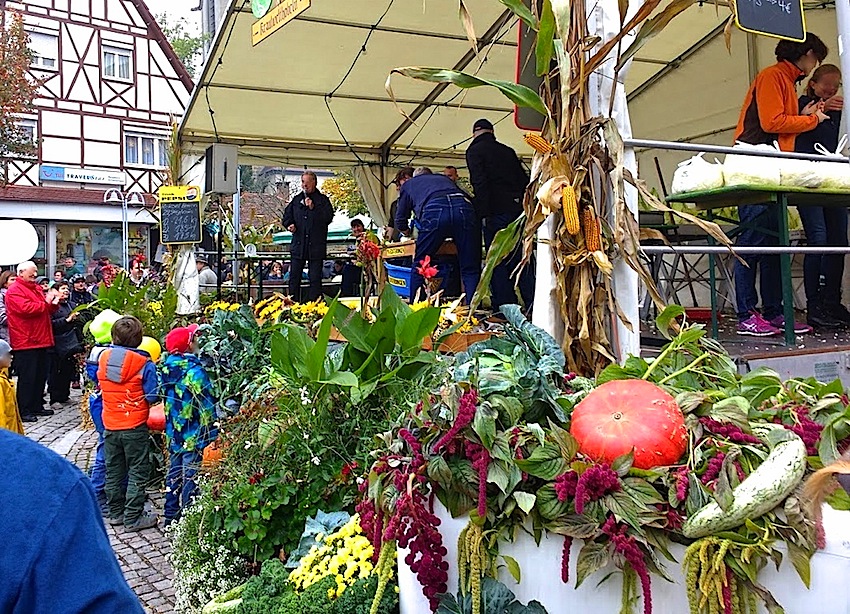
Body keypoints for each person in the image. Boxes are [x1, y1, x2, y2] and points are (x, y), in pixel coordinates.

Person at [732, 33, 830, 337]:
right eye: (816, 60)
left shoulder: (785, 80)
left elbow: (778, 121)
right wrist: (812, 121)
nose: (814, 67)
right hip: (755, 163)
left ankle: (773, 312)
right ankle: (746, 314)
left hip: (772, 165)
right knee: (752, 242)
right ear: (807, 54)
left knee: (775, 245)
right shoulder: (773, 76)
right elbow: (771, 123)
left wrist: (803, 115)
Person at [0, 428, 145, 613]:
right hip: (129, 426)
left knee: (111, 465)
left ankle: (115, 509)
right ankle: (132, 515)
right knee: (134, 468)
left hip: (111, 427)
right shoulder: (48, 487)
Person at [795, 64, 850, 329]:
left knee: (839, 241)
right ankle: (814, 305)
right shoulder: (802, 105)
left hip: (833, 181)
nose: (830, 89)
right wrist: (820, 110)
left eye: (835, 85)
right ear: (813, 84)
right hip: (808, 181)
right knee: (818, 238)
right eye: (826, 84)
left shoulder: (840, 112)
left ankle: (832, 302)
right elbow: (792, 127)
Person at [466, 118, 535, 312]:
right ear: (492, 132)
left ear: (474, 134)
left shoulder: (474, 151)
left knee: (497, 260)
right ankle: (532, 301)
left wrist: (482, 212)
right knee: (522, 258)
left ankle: (505, 306)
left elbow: (480, 182)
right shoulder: (507, 151)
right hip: (517, 211)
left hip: (494, 212)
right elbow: (524, 181)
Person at [97, 316, 159, 531]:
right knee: (138, 470)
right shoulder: (144, 363)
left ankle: (115, 513)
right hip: (134, 425)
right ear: (140, 339)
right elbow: (152, 395)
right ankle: (133, 517)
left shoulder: (103, 358)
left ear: (114, 337)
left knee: (113, 470)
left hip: (110, 424)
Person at [159, 324, 217, 526]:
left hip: (173, 431)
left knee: (174, 473)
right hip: (192, 432)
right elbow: (206, 403)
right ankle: (188, 517)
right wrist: (213, 430)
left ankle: (170, 515)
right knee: (191, 474)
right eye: (193, 339)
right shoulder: (194, 371)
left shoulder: (166, 368)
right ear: (188, 345)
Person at [395, 167, 481, 302]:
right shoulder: (444, 180)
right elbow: (470, 200)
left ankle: (417, 307)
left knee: (421, 264)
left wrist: (407, 232)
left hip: (434, 209)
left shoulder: (409, 185)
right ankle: (474, 308)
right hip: (464, 208)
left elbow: (400, 220)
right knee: (470, 267)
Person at [5, 261, 60, 423]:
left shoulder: (35, 288)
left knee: (40, 375)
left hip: (41, 338)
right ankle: (24, 409)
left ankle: (36, 405)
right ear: (21, 273)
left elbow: (44, 308)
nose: (35, 275)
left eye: (35, 272)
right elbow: (27, 309)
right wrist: (46, 302)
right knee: (28, 377)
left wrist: (53, 303)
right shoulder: (14, 290)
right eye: (32, 272)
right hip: (26, 340)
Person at [282, 171, 334, 301]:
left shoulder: (323, 200)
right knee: (294, 278)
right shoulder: (296, 200)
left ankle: (315, 304)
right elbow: (286, 217)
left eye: (307, 182)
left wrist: (313, 208)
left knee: (315, 278)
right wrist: (290, 225)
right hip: (299, 246)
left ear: (314, 183)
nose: (304, 185)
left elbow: (328, 218)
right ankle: (292, 303)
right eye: (303, 182)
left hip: (315, 247)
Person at [47, 280, 82, 408]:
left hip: (70, 343)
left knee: (68, 370)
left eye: (67, 288)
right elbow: (50, 324)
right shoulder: (52, 307)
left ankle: (64, 395)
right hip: (57, 343)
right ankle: (55, 398)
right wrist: (67, 320)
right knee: (56, 371)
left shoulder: (71, 305)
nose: (66, 291)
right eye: (62, 288)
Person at [0, 340, 23, 434]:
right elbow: (1, 416)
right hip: (6, 435)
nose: (11, 356)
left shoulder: (4, 377)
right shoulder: (1, 382)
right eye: (7, 354)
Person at [385, 167, 414, 242]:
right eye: (397, 185)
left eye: (400, 185)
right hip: (397, 244)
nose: (397, 188)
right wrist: (385, 239)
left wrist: (406, 231)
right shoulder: (394, 204)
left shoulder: (420, 203)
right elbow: (391, 225)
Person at [0, 271, 17, 343]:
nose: (15, 282)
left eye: (16, 279)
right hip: (6, 333)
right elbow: (2, 317)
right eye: (12, 279)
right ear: (5, 282)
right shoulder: (2, 296)